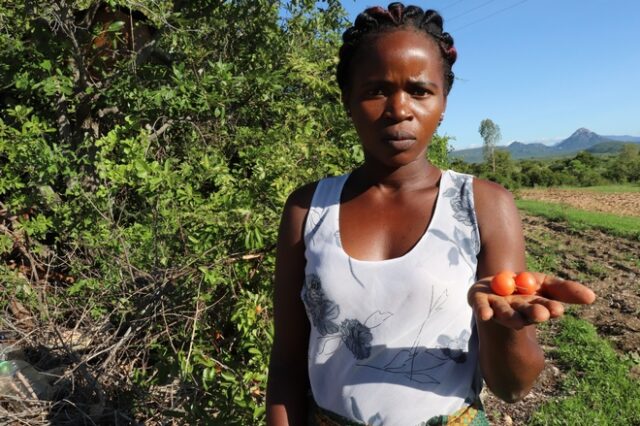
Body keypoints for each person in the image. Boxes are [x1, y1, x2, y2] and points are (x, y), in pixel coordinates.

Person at [266, 3, 596, 425]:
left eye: (420, 91)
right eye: (375, 90)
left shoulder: (484, 205)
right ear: (347, 100)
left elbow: (513, 387)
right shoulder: (308, 209)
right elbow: (288, 364)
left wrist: (498, 324)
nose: (399, 109)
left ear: (442, 104)